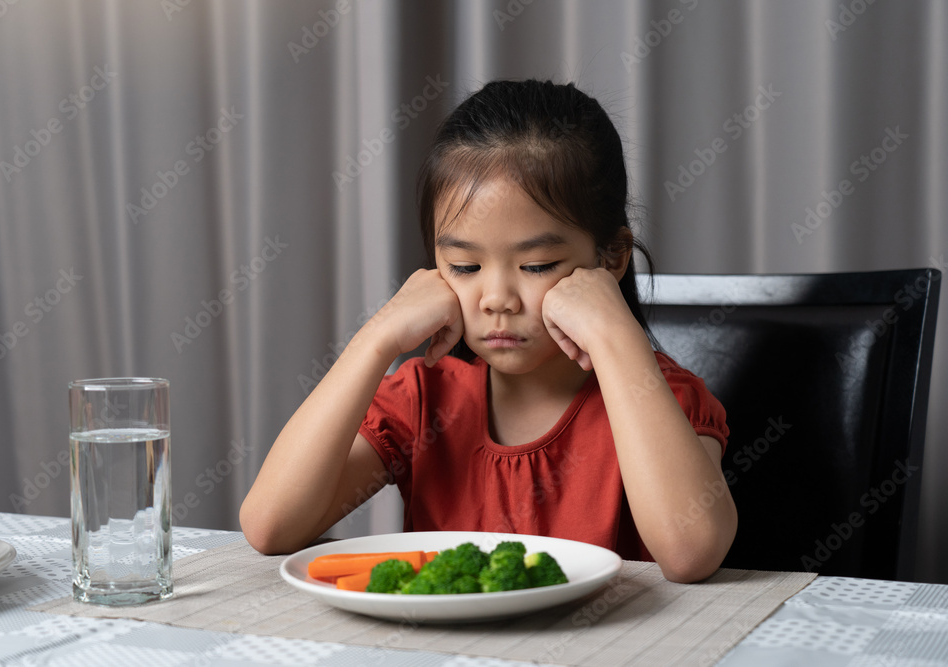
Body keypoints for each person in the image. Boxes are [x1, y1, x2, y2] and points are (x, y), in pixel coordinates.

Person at [240, 79, 736, 583]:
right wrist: (378, 337)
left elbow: (690, 553)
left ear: (609, 258)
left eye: (538, 265)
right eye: (464, 266)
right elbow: (270, 525)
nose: (496, 298)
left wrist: (614, 333)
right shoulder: (423, 400)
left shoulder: (660, 399)